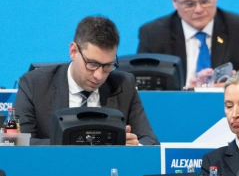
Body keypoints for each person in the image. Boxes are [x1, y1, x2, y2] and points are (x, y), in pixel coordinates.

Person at [15, 16, 159, 146]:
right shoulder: (34, 84)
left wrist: (135, 146)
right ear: (73, 51)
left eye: (108, 65)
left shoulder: (124, 85)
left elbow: (150, 141)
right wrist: (78, 143)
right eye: (92, 64)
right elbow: (19, 142)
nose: (99, 75)